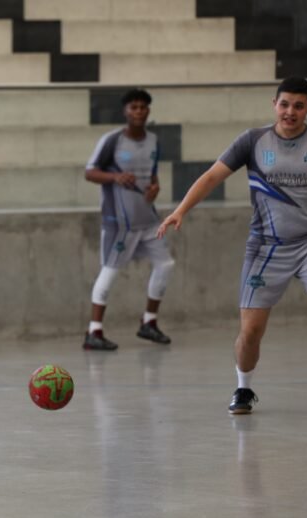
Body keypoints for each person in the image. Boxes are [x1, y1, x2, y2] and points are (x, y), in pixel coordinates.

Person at [158, 76, 307, 414]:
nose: (290, 112)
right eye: (285, 104)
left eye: (299, 106)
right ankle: (243, 388)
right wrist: (181, 210)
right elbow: (212, 176)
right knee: (251, 331)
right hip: (266, 247)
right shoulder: (253, 141)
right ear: (274, 104)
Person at [82, 88, 174, 351]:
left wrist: (155, 187)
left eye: (143, 107)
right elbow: (90, 172)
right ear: (125, 111)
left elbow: (152, 175)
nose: (139, 111)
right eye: (134, 107)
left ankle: (149, 322)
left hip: (148, 219)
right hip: (120, 223)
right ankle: (94, 331)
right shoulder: (112, 141)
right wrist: (114, 177)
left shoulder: (154, 140)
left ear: (148, 111)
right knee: (110, 271)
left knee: (165, 264)